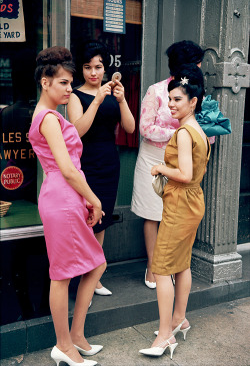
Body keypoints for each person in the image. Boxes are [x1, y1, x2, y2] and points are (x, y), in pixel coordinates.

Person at [29, 46, 107, 366]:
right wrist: (94, 199)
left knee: (95, 264)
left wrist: (84, 199)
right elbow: (67, 169)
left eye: (69, 82)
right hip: (62, 198)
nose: (68, 88)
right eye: (62, 82)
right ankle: (64, 344)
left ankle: (75, 336)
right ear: (45, 82)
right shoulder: (47, 118)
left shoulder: (53, 116)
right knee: (62, 275)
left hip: (66, 197)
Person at [139, 64, 211, 359]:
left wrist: (159, 167)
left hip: (181, 201)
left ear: (193, 101)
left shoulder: (183, 133)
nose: (171, 104)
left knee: (162, 268)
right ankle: (179, 319)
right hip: (193, 201)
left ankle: (166, 335)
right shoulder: (199, 131)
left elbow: (183, 172)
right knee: (182, 263)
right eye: (169, 99)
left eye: (177, 99)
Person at [131, 40, 211, 289]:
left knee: (174, 215)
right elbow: (144, 128)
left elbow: (207, 132)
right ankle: (153, 267)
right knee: (153, 214)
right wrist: (178, 133)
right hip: (154, 159)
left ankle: (172, 265)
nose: (200, 66)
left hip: (182, 162)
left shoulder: (197, 93)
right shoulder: (156, 91)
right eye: (197, 62)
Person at [67, 40, 135, 296]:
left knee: (102, 221)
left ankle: (94, 277)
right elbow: (77, 131)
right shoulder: (75, 95)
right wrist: (96, 100)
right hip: (85, 164)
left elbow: (129, 128)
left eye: (98, 67)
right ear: (81, 69)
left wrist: (123, 100)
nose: (93, 73)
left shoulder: (113, 93)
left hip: (109, 162)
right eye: (87, 67)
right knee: (85, 219)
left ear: (106, 67)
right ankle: (82, 277)